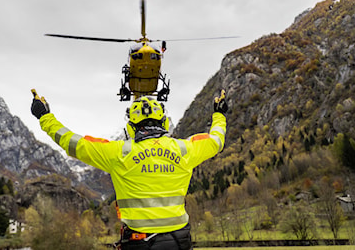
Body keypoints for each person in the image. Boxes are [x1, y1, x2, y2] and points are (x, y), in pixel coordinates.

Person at [30, 90, 228, 250]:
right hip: (180, 241)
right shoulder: (186, 149)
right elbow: (216, 141)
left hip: (138, 242)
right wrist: (219, 114)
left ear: (131, 128)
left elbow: (72, 143)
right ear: (165, 123)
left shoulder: (118, 152)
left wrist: (45, 117)